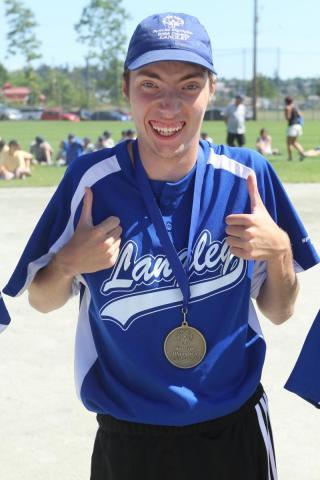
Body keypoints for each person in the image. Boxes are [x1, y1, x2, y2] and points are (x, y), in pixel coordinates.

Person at [2, 12, 319, 480]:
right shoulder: (91, 181)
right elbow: (42, 300)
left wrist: (278, 254)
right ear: (126, 88)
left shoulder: (247, 177)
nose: (169, 106)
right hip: (128, 434)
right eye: (150, 84)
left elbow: (280, 310)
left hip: (233, 426)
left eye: (189, 85)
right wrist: (70, 262)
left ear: (212, 90)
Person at [284, 96, 305, 161]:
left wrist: (287, 116)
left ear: (286, 101)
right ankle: (303, 153)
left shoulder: (287, 108)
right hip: (298, 125)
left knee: (289, 142)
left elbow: (288, 117)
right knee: (294, 142)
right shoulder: (295, 107)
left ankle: (290, 157)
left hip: (292, 126)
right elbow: (301, 115)